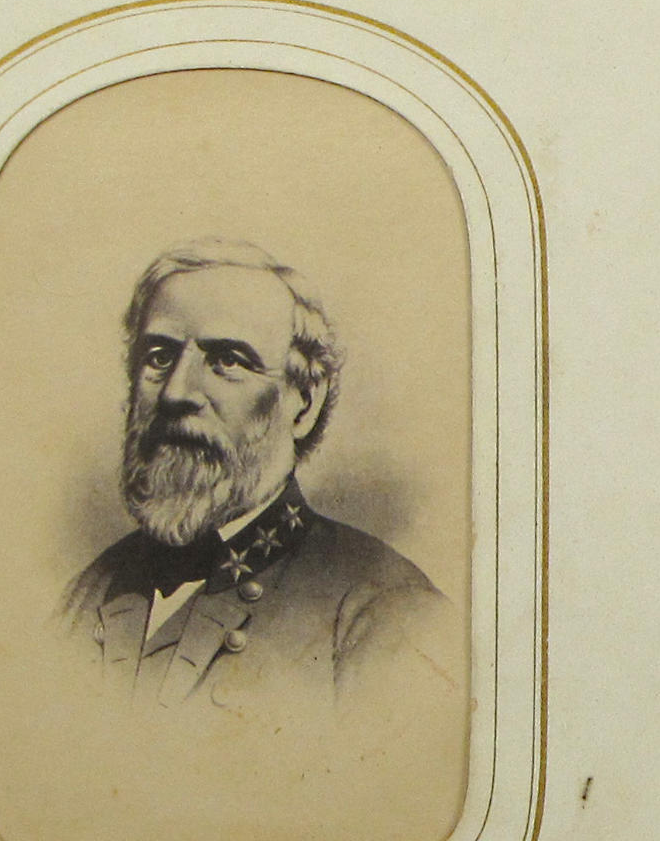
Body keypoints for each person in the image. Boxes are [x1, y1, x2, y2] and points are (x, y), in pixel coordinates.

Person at [59, 238, 460, 721]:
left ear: (303, 403)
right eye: (159, 356)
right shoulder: (86, 594)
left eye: (227, 360)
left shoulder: (386, 613)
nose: (176, 393)